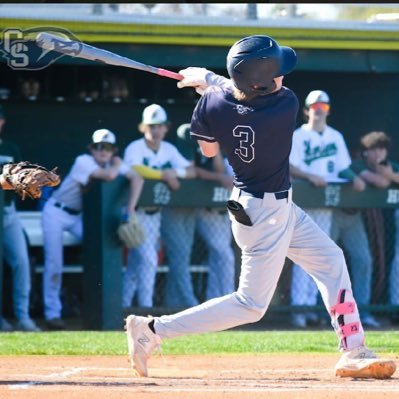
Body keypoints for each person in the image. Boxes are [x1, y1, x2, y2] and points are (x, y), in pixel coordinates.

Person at [124, 35, 396, 379]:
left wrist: (211, 89)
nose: (282, 76)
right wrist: (211, 80)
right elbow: (241, 95)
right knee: (250, 305)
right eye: (275, 71)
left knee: (331, 259)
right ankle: (152, 328)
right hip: (264, 213)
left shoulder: (210, 105)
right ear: (261, 80)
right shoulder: (285, 105)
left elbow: (209, 151)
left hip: (268, 206)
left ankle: (353, 348)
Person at [288, 90, 376, 328]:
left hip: (326, 204)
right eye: (315, 106)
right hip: (305, 199)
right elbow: (289, 166)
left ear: (328, 110)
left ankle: (313, 309)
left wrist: (355, 177)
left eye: (323, 107)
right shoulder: (298, 135)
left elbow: (343, 166)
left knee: (321, 258)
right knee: (303, 257)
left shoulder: (334, 136)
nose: (318, 110)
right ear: (307, 110)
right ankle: (299, 309)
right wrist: (309, 175)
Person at [41, 129, 143, 330]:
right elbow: (108, 176)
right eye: (98, 147)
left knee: (100, 245)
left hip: (77, 217)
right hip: (56, 212)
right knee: (54, 263)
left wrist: (130, 210)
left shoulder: (113, 163)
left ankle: (93, 304)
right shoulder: (83, 161)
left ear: (113, 150)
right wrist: (117, 164)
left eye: (107, 148)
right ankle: (52, 313)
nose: (102, 151)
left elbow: (138, 178)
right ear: (91, 149)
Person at [122, 104, 196, 308]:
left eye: (160, 126)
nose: (156, 130)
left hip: (155, 216)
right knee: (148, 261)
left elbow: (191, 171)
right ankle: (145, 309)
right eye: (152, 126)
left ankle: (124, 306)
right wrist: (163, 175)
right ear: (143, 127)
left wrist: (176, 174)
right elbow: (135, 168)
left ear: (166, 128)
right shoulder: (134, 148)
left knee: (136, 265)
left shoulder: (169, 149)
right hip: (134, 214)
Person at [161, 123, 235, 307]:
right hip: (176, 206)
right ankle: (190, 304)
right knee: (176, 256)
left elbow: (217, 170)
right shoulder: (186, 134)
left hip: (206, 208)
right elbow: (193, 170)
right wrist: (219, 177)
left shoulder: (222, 137)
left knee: (209, 255)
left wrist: (215, 148)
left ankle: (213, 303)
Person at [348, 132, 399, 316]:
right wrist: (388, 176)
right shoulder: (357, 164)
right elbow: (380, 181)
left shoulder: (389, 166)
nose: (379, 154)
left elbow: (388, 178)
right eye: (374, 149)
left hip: (371, 221)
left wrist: (390, 175)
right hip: (346, 216)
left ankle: (366, 312)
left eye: (382, 149)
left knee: (368, 260)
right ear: (365, 152)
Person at [0, 105, 41, 331]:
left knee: (22, 263)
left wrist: (29, 181)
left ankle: (23, 316)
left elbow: (20, 179)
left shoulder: (10, 148)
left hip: (8, 212)